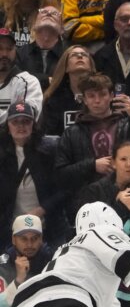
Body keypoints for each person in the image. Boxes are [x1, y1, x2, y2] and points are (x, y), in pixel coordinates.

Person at [78, 140, 130, 307]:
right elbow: (90, 232)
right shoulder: (95, 190)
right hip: (105, 270)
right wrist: (120, 206)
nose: (129, 164)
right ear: (113, 162)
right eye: (123, 159)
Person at [55, 73, 130, 225]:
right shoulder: (72, 133)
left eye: (102, 94)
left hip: (126, 199)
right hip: (85, 204)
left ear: (111, 96)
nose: (97, 100)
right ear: (84, 99)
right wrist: (92, 165)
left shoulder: (127, 125)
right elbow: (60, 175)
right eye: (91, 96)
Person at [0, 101, 66, 249]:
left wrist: (42, 209)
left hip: (49, 228)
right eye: (15, 122)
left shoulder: (50, 151)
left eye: (26, 121)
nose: (20, 126)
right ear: (8, 127)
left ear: (33, 125)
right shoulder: (2, 155)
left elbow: (64, 189)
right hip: (10, 232)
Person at [39, 45, 96, 137]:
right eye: (74, 55)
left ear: (90, 66)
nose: (80, 56)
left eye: (84, 55)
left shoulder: (101, 93)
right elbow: (49, 135)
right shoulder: (54, 98)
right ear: (66, 67)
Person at [0, 214, 53, 307]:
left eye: (34, 238)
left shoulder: (52, 260)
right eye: (24, 239)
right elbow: (0, 306)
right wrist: (18, 280)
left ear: (41, 239)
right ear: (14, 239)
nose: (29, 244)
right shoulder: (2, 265)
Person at [0, 29, 43, 124]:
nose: (4, 54)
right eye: (0, 48)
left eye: (9, 49)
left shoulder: (28, 82)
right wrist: (13, 112)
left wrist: (18, 114)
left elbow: (26, 118)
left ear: (15, 51)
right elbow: (17, 115)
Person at [17, 6, 65, 90]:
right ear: (34, 26)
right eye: (43, 12)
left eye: (55, 14)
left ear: (62, 29)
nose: (49, 14)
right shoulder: (19, 53)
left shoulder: (69, 54)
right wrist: (47, 80)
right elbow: (16, 79)